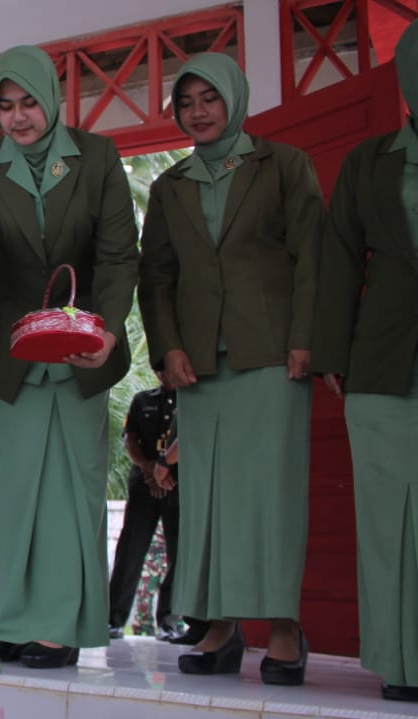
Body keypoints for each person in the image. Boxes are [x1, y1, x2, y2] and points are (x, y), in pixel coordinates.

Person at [0, 44, 140, 669]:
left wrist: (105, 328)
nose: (18, 118)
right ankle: (15, 621)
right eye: (5, 107)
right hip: (12, 349)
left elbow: (117, 252)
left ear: (50, 97)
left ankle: (61, 626)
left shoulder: (97, 155)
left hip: (84, 345)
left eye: (28, 104)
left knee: (72, 488)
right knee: (17, 488)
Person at [138, 52, 323, 686]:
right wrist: (167, 348)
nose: (197, 112)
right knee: (209, 497)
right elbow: (156, 278)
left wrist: (306, 338)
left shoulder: (283, 166)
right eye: (186, 103)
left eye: (208, 99)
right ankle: (217, 626)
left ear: (233, 99)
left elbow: (311, 257)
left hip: (272, 354)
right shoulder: (169, 186)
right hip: (199, 366)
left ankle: (283, 627)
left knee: (270, 495)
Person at [309, 19, 418, 703]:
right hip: (382, 361)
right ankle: (401, 662)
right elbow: (340, 256)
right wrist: (332, 349)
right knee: (387, 518)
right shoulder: (368, 162)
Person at [107, 379, 181, 640]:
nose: (162, 372)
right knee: (131, 549)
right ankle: (113, 619)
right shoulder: (142, 399)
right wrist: (149, 468)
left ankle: (170, 622)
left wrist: (165, 471)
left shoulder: (191, 398)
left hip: (177, 482)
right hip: (144, 482)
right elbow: (130, 438)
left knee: (179, 553)